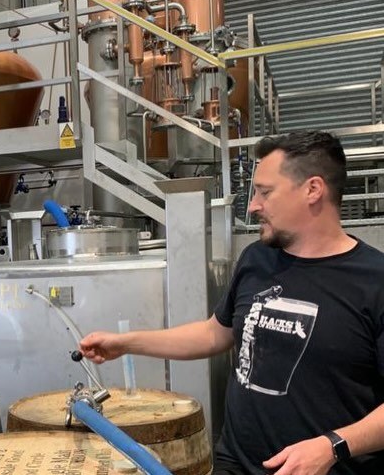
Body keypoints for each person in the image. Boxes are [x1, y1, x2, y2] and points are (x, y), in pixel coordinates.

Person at [80, 131, 384, 475]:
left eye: (265, 192)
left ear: (313, 190)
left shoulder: (374, 281)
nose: (253, 206)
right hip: (236, 463)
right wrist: (126, 343)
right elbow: (215, 333)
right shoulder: (257, 259)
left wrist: (332, 446)